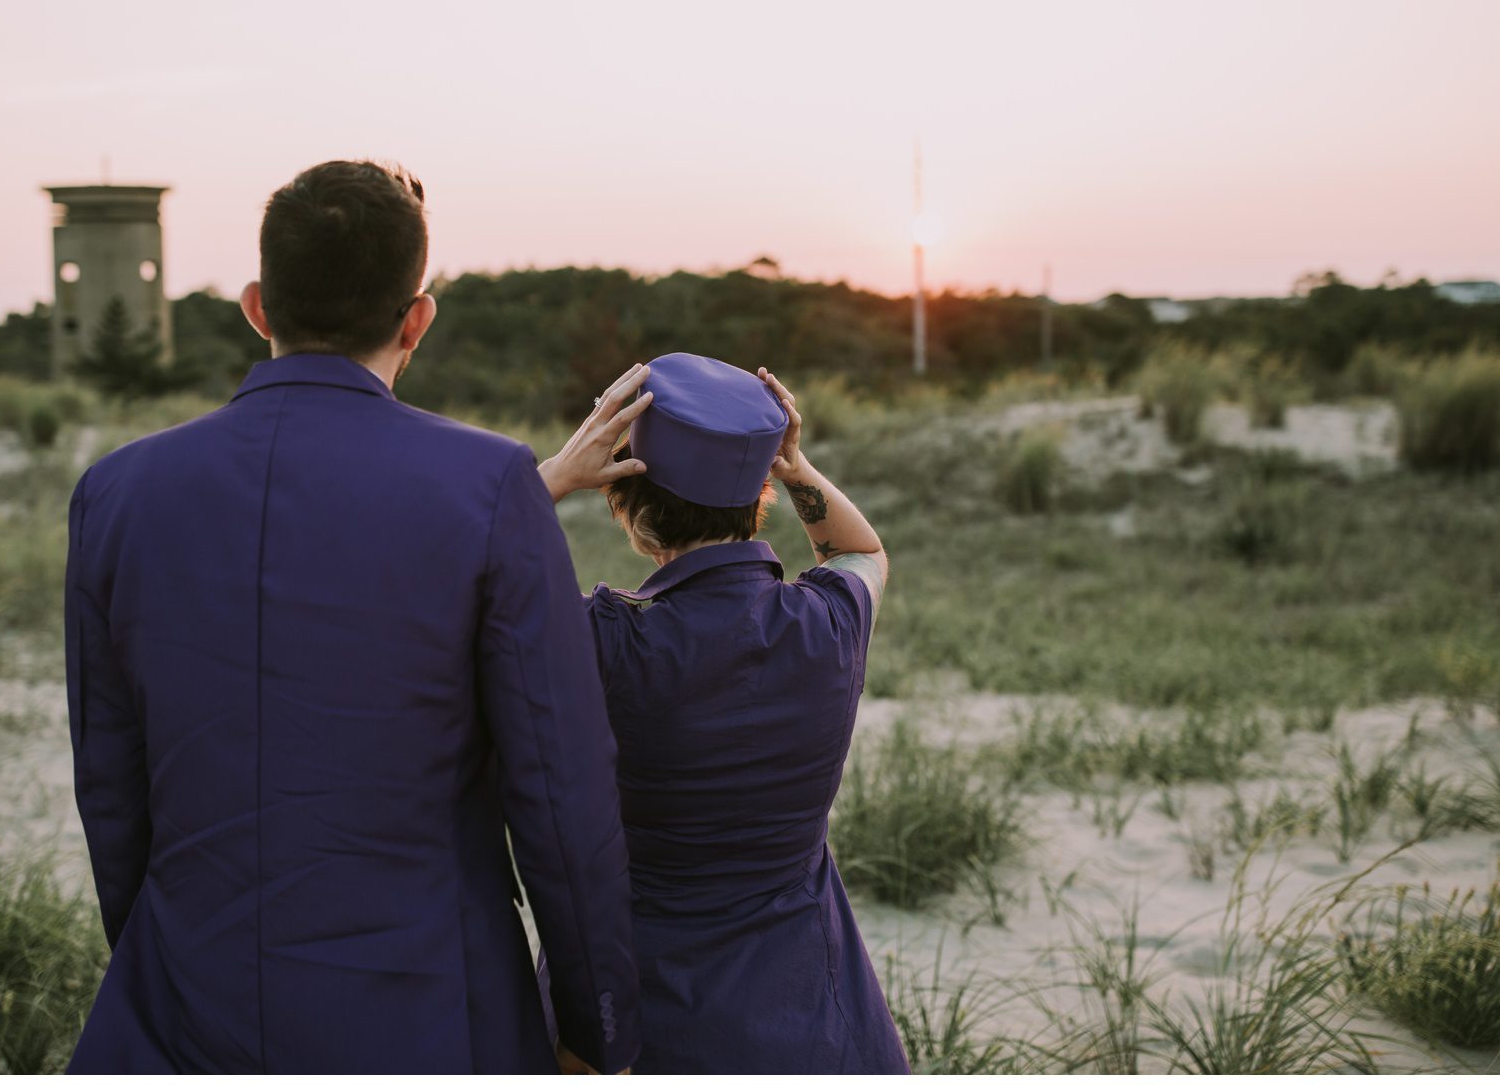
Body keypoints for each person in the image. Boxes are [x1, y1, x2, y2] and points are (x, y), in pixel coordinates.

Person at [62, 160, 643, 1073]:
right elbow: (561, 792)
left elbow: (110, 785)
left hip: (179, 1000)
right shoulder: (490, 484)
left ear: (256, 306)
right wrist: (593, 1024)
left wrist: (161, 962)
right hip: (423, 1009)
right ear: (418, 317)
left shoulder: (117, 492)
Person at [536, 352, 911, 1074]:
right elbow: (862, 549)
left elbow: (439, 582)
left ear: (631, 504)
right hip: (819, 1027)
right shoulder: (829, 623)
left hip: (636, 1024)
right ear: (758, 495)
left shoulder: (601, 642)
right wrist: (795, 464)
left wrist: (554, 474)